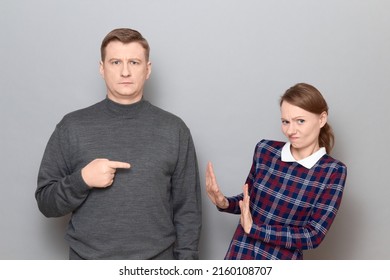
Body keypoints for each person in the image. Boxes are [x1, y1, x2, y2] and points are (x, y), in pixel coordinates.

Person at [36, 28, 202, 260]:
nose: (125, 71)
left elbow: (188, 210)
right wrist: (82, 179)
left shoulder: (174, 129)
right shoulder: (71, 126)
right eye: (115, 62)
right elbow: (46, 202)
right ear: (102, 68)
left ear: (148, 69)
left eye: (134, 62)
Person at [206, 83, 347, 260]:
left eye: (300, 121)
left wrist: (256, 230)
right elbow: (249, 201)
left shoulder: (333, 171)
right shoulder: (265, 150)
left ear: (321, 119)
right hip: (240, 255)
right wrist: (224, 202)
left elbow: (313, 235)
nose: (290, 130)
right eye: (285, 122)